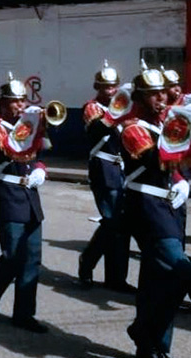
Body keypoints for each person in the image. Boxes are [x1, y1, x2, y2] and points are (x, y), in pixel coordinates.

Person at [121, 61, 191, 358]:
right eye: (153, 94)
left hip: (170, 208)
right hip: (147, 206)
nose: (160, 99)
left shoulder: (166, 122)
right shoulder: (132, 127)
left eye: (163, 93)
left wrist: (184, 181)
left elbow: (179, 166)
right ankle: (144, 331)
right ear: (139, 96)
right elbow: (154, 158)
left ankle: (150, 350)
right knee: (180, 271)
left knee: (154, 281)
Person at [0, 72, 50, 334]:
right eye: (15, 102)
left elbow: (36, 154)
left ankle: (24, 314)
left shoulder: (29, 127)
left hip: (29, 196)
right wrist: (29, 123)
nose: (21, 106)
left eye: (23, 101)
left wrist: (40, 169)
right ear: (3, 104)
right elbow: (5, 149)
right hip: (6, 194)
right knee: (13, 255)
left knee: (32, 257)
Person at [77, 60, 133, 292]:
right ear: (97, 88)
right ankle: (87, 261)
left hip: (125, 170)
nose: (110, 91)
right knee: (112, 221)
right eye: (105, 87)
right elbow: (98, 128)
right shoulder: (92, 107)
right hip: (104, 168)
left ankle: (116, 278)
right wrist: (119, 108)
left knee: (123, 226)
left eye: (113, 87)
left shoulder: (124, 106)